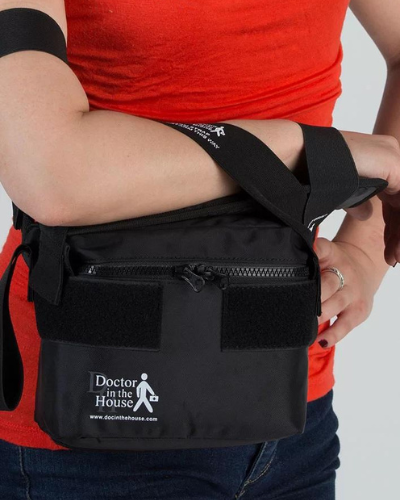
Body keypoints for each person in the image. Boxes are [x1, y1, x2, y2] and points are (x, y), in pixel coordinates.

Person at [0, 0, 399, 499]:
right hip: (88, 417)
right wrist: (316, 152)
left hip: (287, 402)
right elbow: (50, 175)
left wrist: (366, 250)